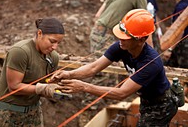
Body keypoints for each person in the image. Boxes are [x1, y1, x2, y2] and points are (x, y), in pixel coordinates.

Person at [50, 9, 178, 126]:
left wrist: (84, 87)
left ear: (141, 40)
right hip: (146, 99)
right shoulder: (122, 46)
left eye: (125, 37)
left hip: (162, 104)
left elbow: (121, 93)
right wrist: (69, 74)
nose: (120, 39)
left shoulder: (151, 63)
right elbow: (94, 67)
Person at [0, 18, 65, 127]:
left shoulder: (53, 57)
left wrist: (58, 84)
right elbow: (14, 87)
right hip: (7, 114)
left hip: (34, 113)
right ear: (39, 33)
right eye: (52, 41)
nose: (55, 47)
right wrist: (42, 88)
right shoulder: (21, 51)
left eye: (58, 43)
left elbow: (47, 83)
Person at [164, 0, 188, 68]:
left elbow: (179, 31)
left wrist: (169, 49)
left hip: (183, 47)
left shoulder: (181, 6)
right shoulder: (184, 4)